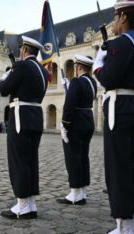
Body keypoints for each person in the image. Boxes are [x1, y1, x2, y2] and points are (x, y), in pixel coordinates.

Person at [92, 0, 134, 233]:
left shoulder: (123, 43)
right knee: (130, 166)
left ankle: (124, 225)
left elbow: (107, 79)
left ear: (124, 18)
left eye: (116, 17)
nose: (114, 23)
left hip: (118, 107)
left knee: (117, 167)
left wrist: (100, 61)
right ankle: (132, 221)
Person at [0, 35, 48, 219]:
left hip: (20, 117)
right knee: (31, 161)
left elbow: (4, 89)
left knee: (18, 161)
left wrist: (7, 73)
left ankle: (21, 205)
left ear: (24, 50)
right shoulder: (43, 71)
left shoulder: (20, 66)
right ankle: (31, 204)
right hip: (35, 116)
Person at [57, 54, 97, 205]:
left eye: (74, 67)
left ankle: (75, 192)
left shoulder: (76, 81)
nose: (74, 69)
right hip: (87, 120)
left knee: (72, 157)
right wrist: (70, 87)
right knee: (83, 157)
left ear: (79, 67)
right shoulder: (92, 82)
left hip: (75, 122)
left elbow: (69, 105)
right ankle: (82, 191)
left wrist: (64, 124)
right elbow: (82, 98)